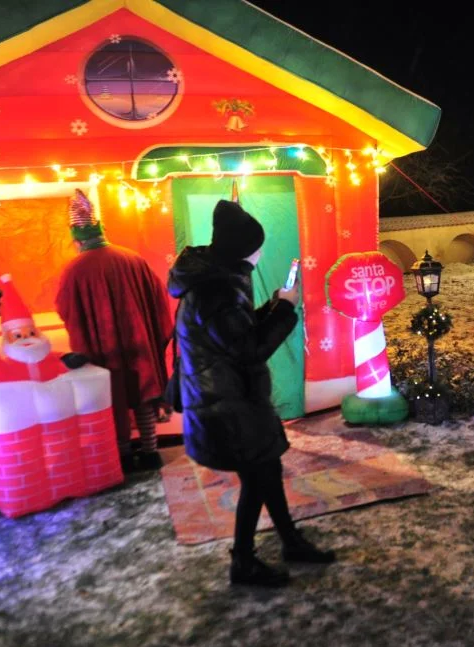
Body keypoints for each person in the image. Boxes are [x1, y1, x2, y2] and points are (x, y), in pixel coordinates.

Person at [167, 199, 335, 588]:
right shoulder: (218, 290)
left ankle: (290, 541)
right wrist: (285, 311)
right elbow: (248, 350)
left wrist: (271, 305)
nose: (260, 253)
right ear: (244, 249)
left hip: (231, 398)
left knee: (268, 469)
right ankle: (243, 561)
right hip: (228, 406)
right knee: (258, 478)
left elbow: (233, 334)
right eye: (257, 246)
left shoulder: (216, 280)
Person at [55, 190, 173, 472]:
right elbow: (159, 298)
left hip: (103, 349)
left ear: (76, 238)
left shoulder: (74, 270)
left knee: (113, 401)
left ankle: (122, 456)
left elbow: (65, 308)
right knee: (143, 396)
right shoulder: (132, 259)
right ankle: (150, 451)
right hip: (140, 341)